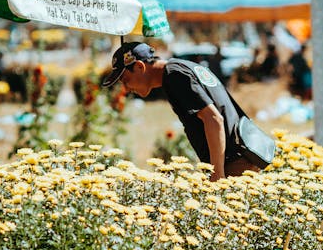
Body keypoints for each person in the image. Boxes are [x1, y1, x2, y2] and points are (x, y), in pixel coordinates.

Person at [101, 41, 257, 180]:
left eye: (126, 80)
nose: (126, 89)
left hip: (233, 164)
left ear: (140, 66)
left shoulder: (175, 76)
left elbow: (214, 119)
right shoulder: (179, 68)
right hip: (237, 159)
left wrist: (217, 173)